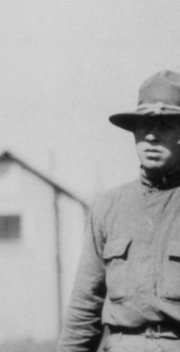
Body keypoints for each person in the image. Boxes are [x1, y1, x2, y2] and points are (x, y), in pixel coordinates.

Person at [58, 70, 180, 352]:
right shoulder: (109, 206)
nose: (151, 135)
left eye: (165, 124)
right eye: (142, 125)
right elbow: (85, 304)